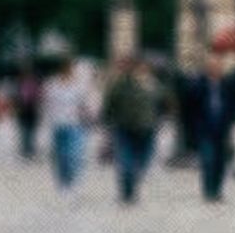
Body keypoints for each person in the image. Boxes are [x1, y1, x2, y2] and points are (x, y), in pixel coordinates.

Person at [101, 56, 169, 205]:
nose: (142, 71)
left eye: (145, 68)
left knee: (143, 161)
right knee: (126, 162)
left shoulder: (155, 85)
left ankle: (132, 185)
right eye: (139, 68)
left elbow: (164, 103)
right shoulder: (122, 84)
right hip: (125, 128)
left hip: (148, 129)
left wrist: (161, 119)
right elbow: (110, 102)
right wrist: (107, 121)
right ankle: (127, 193)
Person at [192, 53, 235, 203]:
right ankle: (208, 191)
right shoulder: (200, 84)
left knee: (220, 162)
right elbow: (192, 104)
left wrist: (233, 117)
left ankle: (217, 190)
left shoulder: (227, 85)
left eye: (218, 67)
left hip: (223, 129)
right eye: (213, 67)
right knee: (208, 160)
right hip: (205, 129)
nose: (216, 69)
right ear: (208, 69)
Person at [41, 61, 92, 193]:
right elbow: (46, 103)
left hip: (75, 124)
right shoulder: (52, 84)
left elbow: (85, 105)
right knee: (61, 156)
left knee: (74, 155)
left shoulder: (79, 86)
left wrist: (88, 117)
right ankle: (63, 182)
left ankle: (74, 181)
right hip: (58, 124)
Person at [12, 61, 45, 161]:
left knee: (31, 131)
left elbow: (40, 97)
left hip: (32, 110)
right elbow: (16, 98)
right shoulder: (19, 83)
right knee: (24, 131)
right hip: (23, 111)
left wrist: (39, 106)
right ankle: (26, 149)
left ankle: (29, 149)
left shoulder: (36, 84)